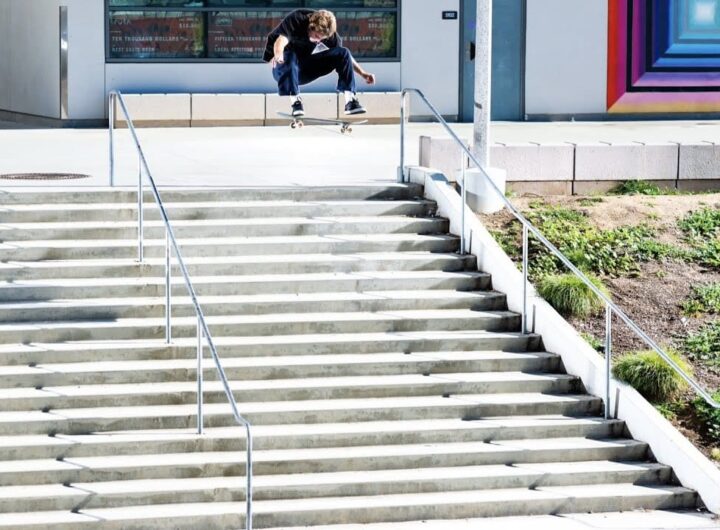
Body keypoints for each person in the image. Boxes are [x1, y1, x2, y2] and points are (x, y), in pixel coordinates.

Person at [263, 9, 376, 117]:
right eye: (317, 36)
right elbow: (281, 40)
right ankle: (296, 102)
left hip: (305, 69)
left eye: (322, 39)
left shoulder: (330, 35)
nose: (319, 41)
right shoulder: (296, 19)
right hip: (283, 68)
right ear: (311, 26)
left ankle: (350, 101)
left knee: (343, 52)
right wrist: (278, 55)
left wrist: (363, 73)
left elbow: (345, 59)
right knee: (290, 55)